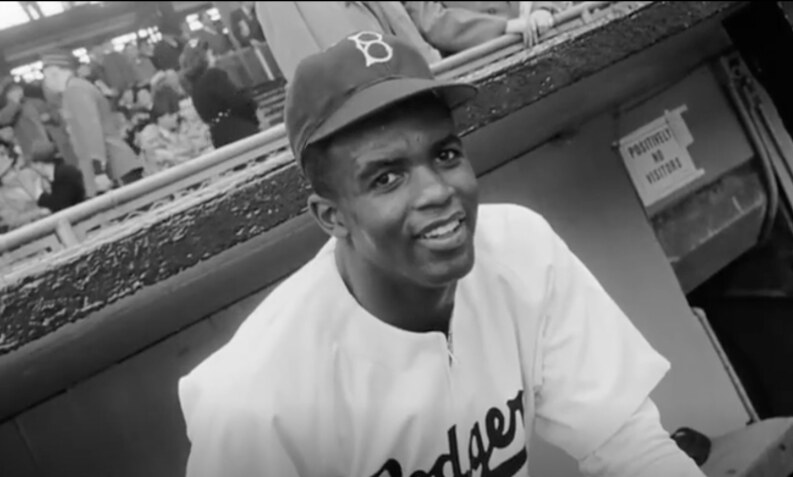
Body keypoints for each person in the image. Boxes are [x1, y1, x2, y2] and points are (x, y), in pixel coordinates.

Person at [179, 32, 706, 477]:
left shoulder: (521, 249)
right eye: (386, 177)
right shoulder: (254, 398)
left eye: (446, 154)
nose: (436, 190)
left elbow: (628, 442)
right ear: (332, 217)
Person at [41, 51, 145, 198]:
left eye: (46, 76)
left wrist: (98, 172)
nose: (46, 82)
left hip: (113, 170)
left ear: (55, 73)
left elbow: (91, 132)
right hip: (114, 167)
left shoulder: (75, 91)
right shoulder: (77, 88)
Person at [256, 1, 441, 80]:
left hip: (427, 91)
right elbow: (310, 80)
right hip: (372, 120)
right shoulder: (277, 4)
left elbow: (409, 35)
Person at [180, 39, 259, 148]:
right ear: (203, 57)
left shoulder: (193, 87)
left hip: (219, 136)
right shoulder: (213, 75)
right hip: (238, 130)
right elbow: (237, 101)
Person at [404, 1, 560, 54]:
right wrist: (503, 27)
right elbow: (432, 22)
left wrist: (542, 8)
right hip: (480, 59)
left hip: (541, 37)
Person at [29, 140, 86, 213]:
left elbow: (60, 205)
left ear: (40, 165)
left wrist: (40, 196)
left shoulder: (64, 175)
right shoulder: (61, 173)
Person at [0, 81, 51, 161]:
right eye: (14, 91)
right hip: (28, 147)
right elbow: (3, 120)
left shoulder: (30, 102)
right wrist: (14, 103)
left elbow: (46, 115)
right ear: (7, 95)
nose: (18, 93)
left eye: (18, 90)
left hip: (43, 142)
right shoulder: (8, 108)